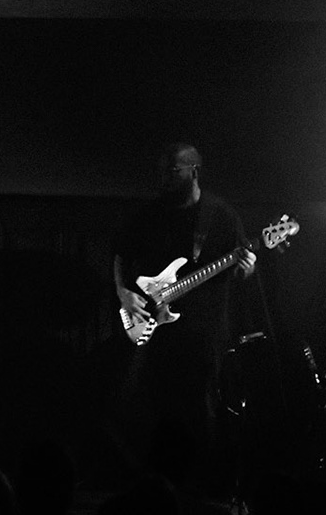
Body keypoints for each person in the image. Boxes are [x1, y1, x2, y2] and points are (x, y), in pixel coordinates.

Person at [110, 142, 257, 488]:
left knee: (199, 407)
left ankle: (197, 485)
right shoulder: (149, 214)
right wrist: (123, 292)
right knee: (143, 403)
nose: (164, 178)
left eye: (172, 171)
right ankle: (147, 480)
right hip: (153, 327)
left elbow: (240, 272)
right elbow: (120, 254)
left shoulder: (221, 216)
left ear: (194, 171)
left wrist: (247, 268)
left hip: (204, 331)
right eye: (162, 171)